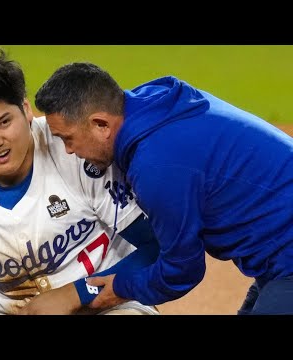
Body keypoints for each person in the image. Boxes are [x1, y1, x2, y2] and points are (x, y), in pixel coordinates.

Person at [0, 46, 160, 315]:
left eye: (4, 122)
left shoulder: (75, 150)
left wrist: (78, 293)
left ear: (26, 109)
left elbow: (155, 247)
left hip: (109, 304)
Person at [29, 61, 293, 315]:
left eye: (68, 138)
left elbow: (183, 269)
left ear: (101, 124)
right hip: (278, 255)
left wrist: (119, 288)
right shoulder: (152, 106)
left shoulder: (155, 165)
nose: (69, 150)